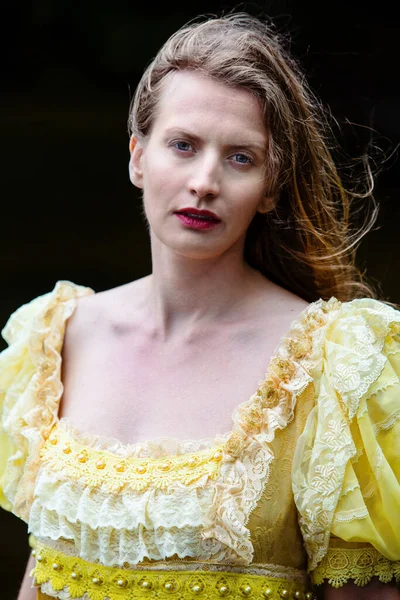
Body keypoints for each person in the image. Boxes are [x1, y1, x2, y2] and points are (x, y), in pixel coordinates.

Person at [1, 12, 399, 600]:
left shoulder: (334, 364)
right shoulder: (56, 338)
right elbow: (45, 571)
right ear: (138, 156)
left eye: (241, 157)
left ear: (270, 187)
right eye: (182, 146)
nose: (205, 181)